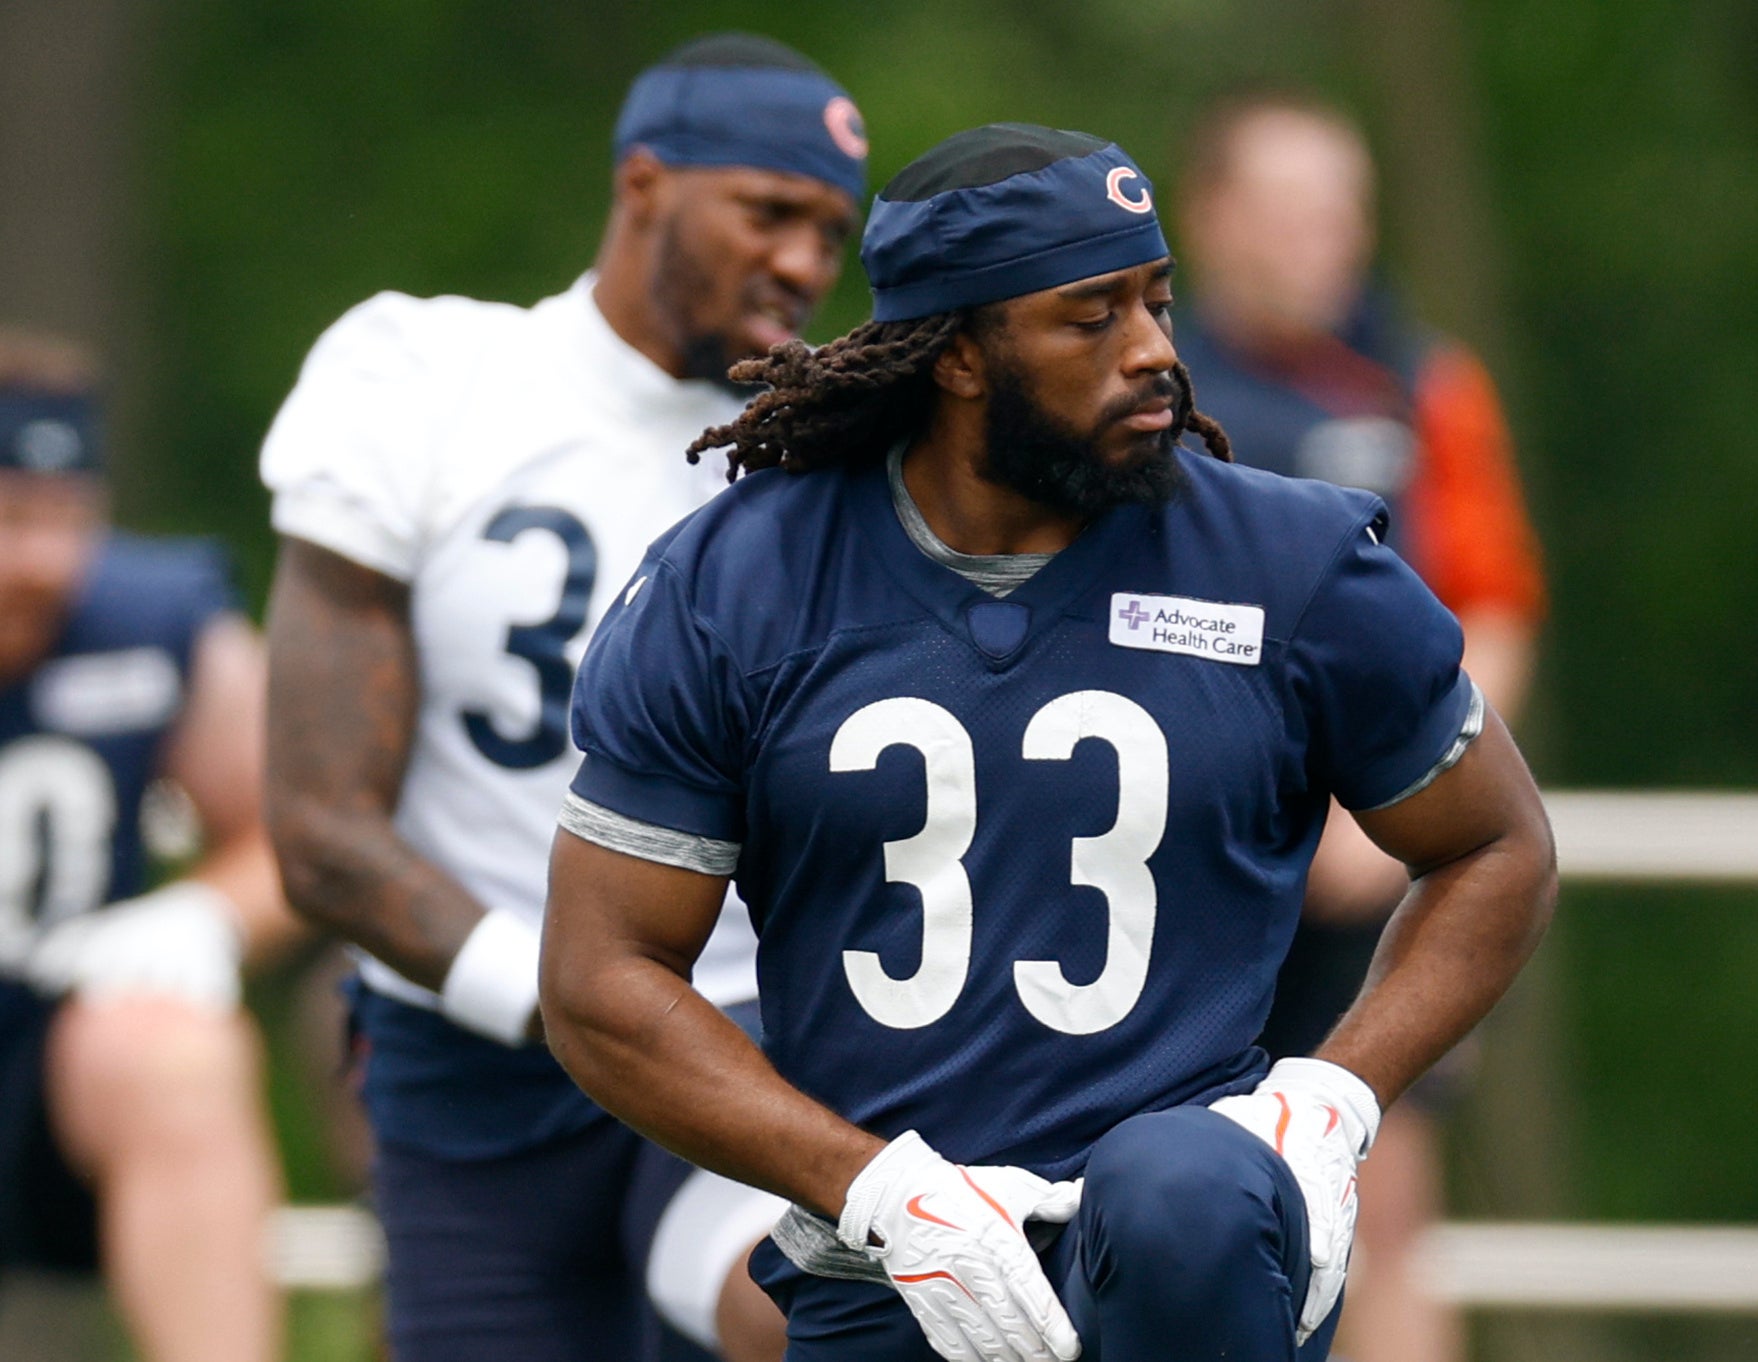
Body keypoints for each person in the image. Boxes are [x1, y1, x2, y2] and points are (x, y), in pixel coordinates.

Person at [537, 122, 1558, 1362]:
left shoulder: (1292, 563)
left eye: (1159, 303)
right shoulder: (737, 584)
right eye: (1093, 316)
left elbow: (1498, 844)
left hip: (1191, 1240)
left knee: (1182, 1184)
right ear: (957, 353)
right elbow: (601, 979)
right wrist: (870, 1188)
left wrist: (1333, 1098)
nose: (1155, 354)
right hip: (894, 1259)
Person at [260, 33, 866, 1362]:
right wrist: (590, 1006)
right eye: (768, 211)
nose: (804, 265)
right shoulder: (419, 375)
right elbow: (318, 828)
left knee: (814, 1313)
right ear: (642, 182)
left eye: (830, 233)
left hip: (743, 1033)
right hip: (474, 1034)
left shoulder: (828, 462)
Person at [1172, 92, 1547, 1362]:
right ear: (1211, 217)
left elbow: (1491, 610)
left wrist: (1400, 806)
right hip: (1179, 869)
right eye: (1291, 209)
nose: (1325, 237)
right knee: (1166, 1195)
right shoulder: (1138, 384)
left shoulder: (1424, 380)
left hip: (1361, 881)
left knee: (1383, 1210)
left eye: (1344, 209)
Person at [0, 330, 290, 1362]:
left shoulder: (153, 618)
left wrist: (206, 911)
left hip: (56, 1076)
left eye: (64, 516)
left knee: (177, 1055)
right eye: (6, 515)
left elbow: (296, 828)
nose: (38, 557)